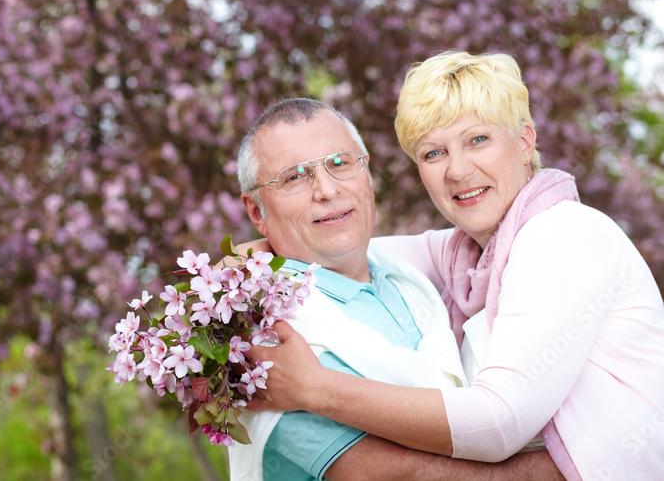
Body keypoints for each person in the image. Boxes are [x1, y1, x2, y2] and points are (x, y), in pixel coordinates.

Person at [246, 52, 664, 480]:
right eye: (433, 153)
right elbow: (350, 245)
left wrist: (315, 388)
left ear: (524, 142)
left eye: (478, 140)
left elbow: (499, 422)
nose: (459, 170)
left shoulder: (564, 234)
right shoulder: (472, 253)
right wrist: (238, 268)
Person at [227, 96, 564, 480]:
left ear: (367, 176)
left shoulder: (410, 280)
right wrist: (572, 466)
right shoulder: (262, 328)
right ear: (257, 212)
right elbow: (393, 475)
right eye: (294, 177)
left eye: (340, 163)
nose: (327, 190)